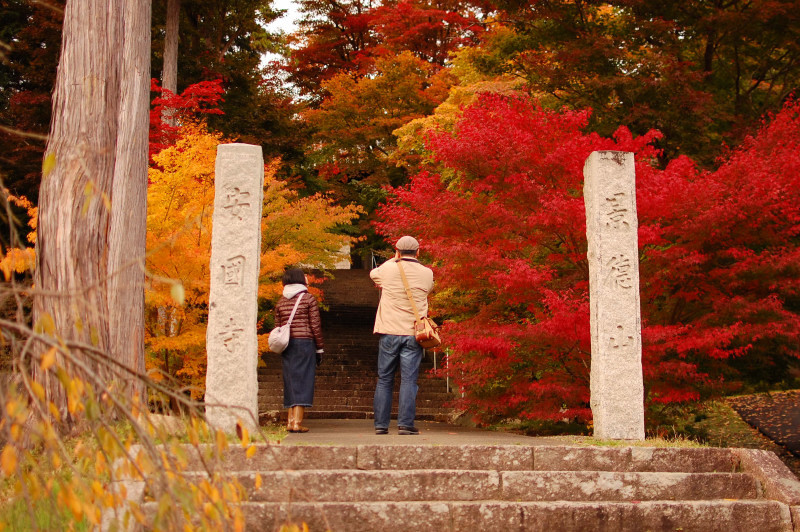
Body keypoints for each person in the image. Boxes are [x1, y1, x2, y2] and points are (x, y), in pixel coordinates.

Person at [370, 236, 434, 435]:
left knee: (384, 379)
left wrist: (394, 259)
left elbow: (373, 274)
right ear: (418, 252)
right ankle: (405, 424)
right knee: (409, 379)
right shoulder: (427, 273)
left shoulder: (387, 269)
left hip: (389, 330)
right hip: (413, 333)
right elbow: (429, 290)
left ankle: (381, 425)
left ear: (397, 251)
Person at [274, 267, 324, 433]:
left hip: (288, 345)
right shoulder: (308, 298)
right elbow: (315, 325)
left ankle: (290, 421)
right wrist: (320, 347)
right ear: (301, 279)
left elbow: (278, 327)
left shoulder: (281, 301)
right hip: (304, 343)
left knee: (290, 381)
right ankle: (297, 423)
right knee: (303, 380)